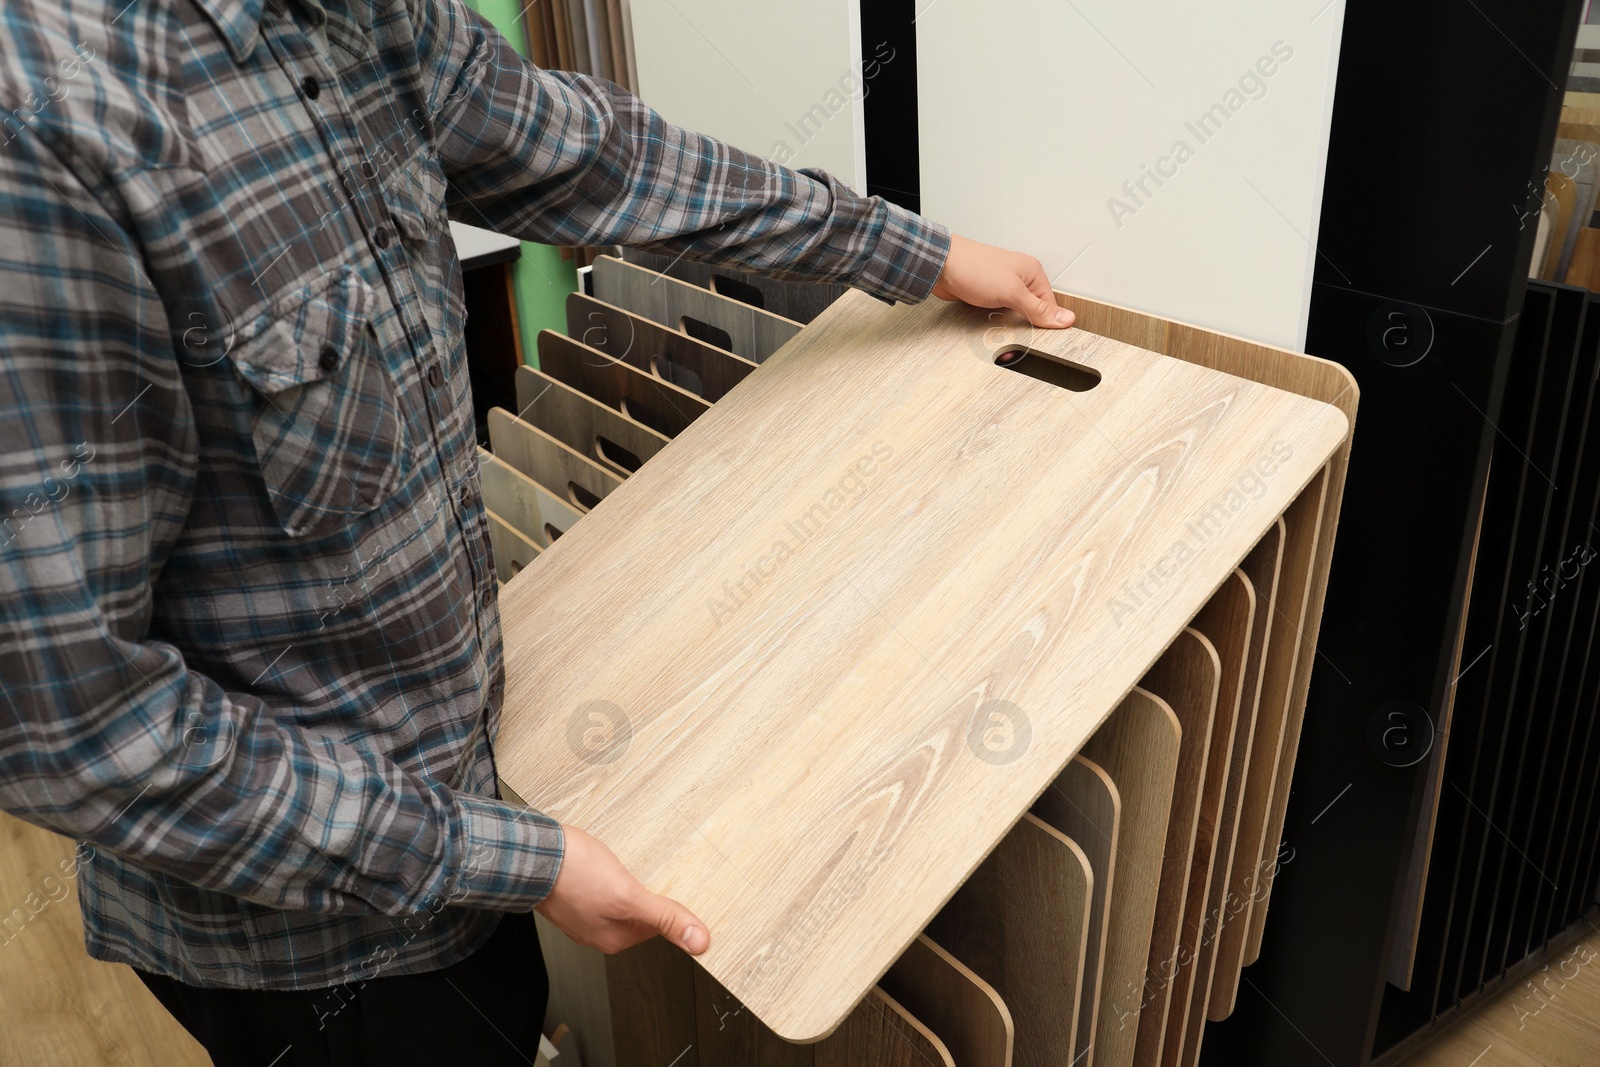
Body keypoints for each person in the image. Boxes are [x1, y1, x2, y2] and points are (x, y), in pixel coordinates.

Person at [0, 0, 1075, 1062]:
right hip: (314, 944)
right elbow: (77, 728)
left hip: (467, 795)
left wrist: (905, 248)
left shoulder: (364, 20)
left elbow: (598, 157)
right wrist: (509, 858)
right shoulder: (48, 124)